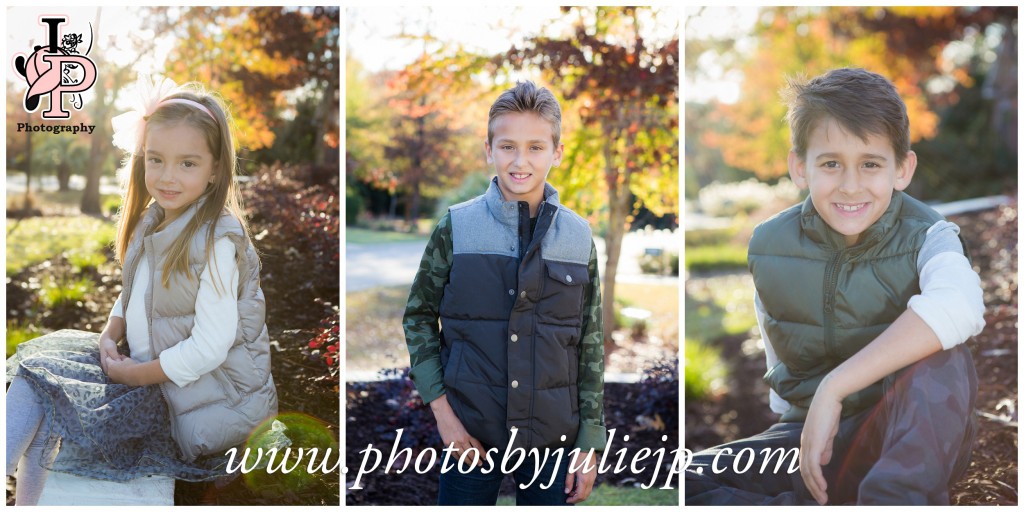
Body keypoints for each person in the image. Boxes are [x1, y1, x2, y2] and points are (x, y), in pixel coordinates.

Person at [685, 68, 985, 505]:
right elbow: (780, 378)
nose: (850, 184)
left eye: (870, 163)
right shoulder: (771, 247)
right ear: (799, 167)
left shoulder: (929, 236)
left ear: (902, 169)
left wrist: (835, 386)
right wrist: (807, 424)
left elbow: (960, 307)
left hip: (906, 439)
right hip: (809, 435)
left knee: (943, 355)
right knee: (685, 479)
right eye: (830, 163)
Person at [6, 77, 278, 505]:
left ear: (214, 170)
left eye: (187, 163)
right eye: (156, 160)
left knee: (48, 388)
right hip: (151, 371)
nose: (167, 177)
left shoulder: (215, 242)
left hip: (195, 403)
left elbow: (211, 347)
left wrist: (133, 374)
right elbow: (137, 290)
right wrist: (111, 331)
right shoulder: (156, 220)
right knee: (36, 374)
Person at [402, 81, 605, 506]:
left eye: (535, 147)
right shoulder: (456, 228)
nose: (520, 161)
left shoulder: (579, 237)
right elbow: (418, 317)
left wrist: (589, 444)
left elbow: (589, 341)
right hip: (470, 433)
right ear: (488, 150)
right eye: (508, 146)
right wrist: (446, 421)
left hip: (554, 440)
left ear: (557, 152)